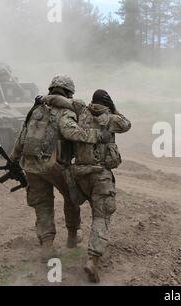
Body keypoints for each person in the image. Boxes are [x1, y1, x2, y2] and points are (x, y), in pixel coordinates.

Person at [10, 76, 110, 261]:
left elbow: (22, 136)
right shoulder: (65, 111)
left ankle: (47, 246)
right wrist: (98, 136)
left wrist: (14, 159)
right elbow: (70, 131)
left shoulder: (36, 108)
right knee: (72, 197)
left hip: (31, 165)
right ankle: (72, 236)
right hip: (54, 165)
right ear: (69, 93)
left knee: (42, 204)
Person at [71, 89, 131, 283]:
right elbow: (127, 124)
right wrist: (114, 110)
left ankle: (71, 237)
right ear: (107, 103)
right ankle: (93, 260)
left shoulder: (81, 114)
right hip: (100, 175)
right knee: (101, 215)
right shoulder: (111, 119)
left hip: (79, 174)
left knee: (82, 206)